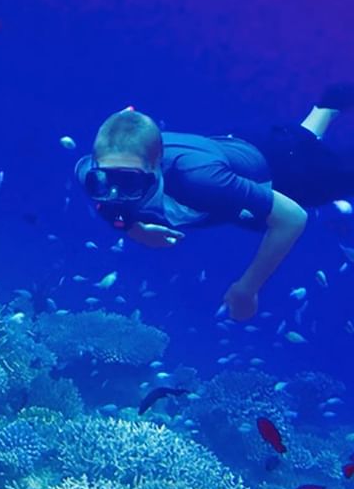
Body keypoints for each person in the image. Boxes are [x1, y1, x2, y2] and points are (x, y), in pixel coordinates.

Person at [75, 85, 354, 320]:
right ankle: (329, 105)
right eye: (103, 181)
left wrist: (246, 289)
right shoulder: (92, 170)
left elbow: (292, 218)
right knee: (301, 141)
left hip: (284, 170)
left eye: (130, 182)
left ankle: (323, 117)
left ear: (157, 165)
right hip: (237, 148)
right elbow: (107, 200)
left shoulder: (198, 180)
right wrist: (136, 230)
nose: (115, 194)